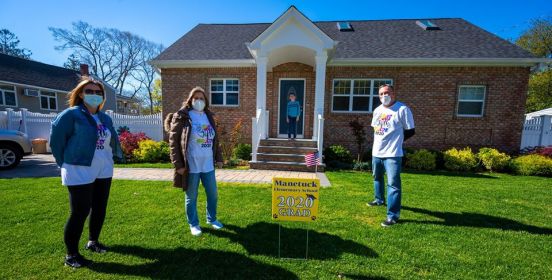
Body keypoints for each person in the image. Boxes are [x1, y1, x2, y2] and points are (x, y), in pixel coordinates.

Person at [50, 77, 123, 268]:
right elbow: (57, 141)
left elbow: (109, 141)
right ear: (81, 94)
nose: (94, 95)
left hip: (103, 168)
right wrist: (64, 163)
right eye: (89, 91)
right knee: (80, 211)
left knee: (100, 207)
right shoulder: (71, 115)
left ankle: (93, 241)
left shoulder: (104, 117)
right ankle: (71, 255)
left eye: (98, 92)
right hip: (78, 168)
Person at [165, 86, 224, 236]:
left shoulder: (209, 116)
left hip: (208, 164)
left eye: (201, 98)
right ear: (190, 100)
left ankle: (212, 218)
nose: (199, 100)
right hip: (191, 166)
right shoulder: (183, 116)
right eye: (195, 98)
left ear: (206, 101)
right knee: (191, 197)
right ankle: (194, 224)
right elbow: (173, 142)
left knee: (213, 194)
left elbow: (215, 139)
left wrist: (219, 158)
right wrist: (178, 165)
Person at [367, 84, 415, 227]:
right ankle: (379, 199)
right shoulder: (377, 110)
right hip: (377, 152)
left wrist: (397, 141)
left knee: (393, 184)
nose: (384, 96)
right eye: (381, 94)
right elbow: (376, 129)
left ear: (393, 93)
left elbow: (411, 130)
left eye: (386, 93)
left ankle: (392, 216)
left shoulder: (402, 109)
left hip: (393, 154)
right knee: (377, 177)